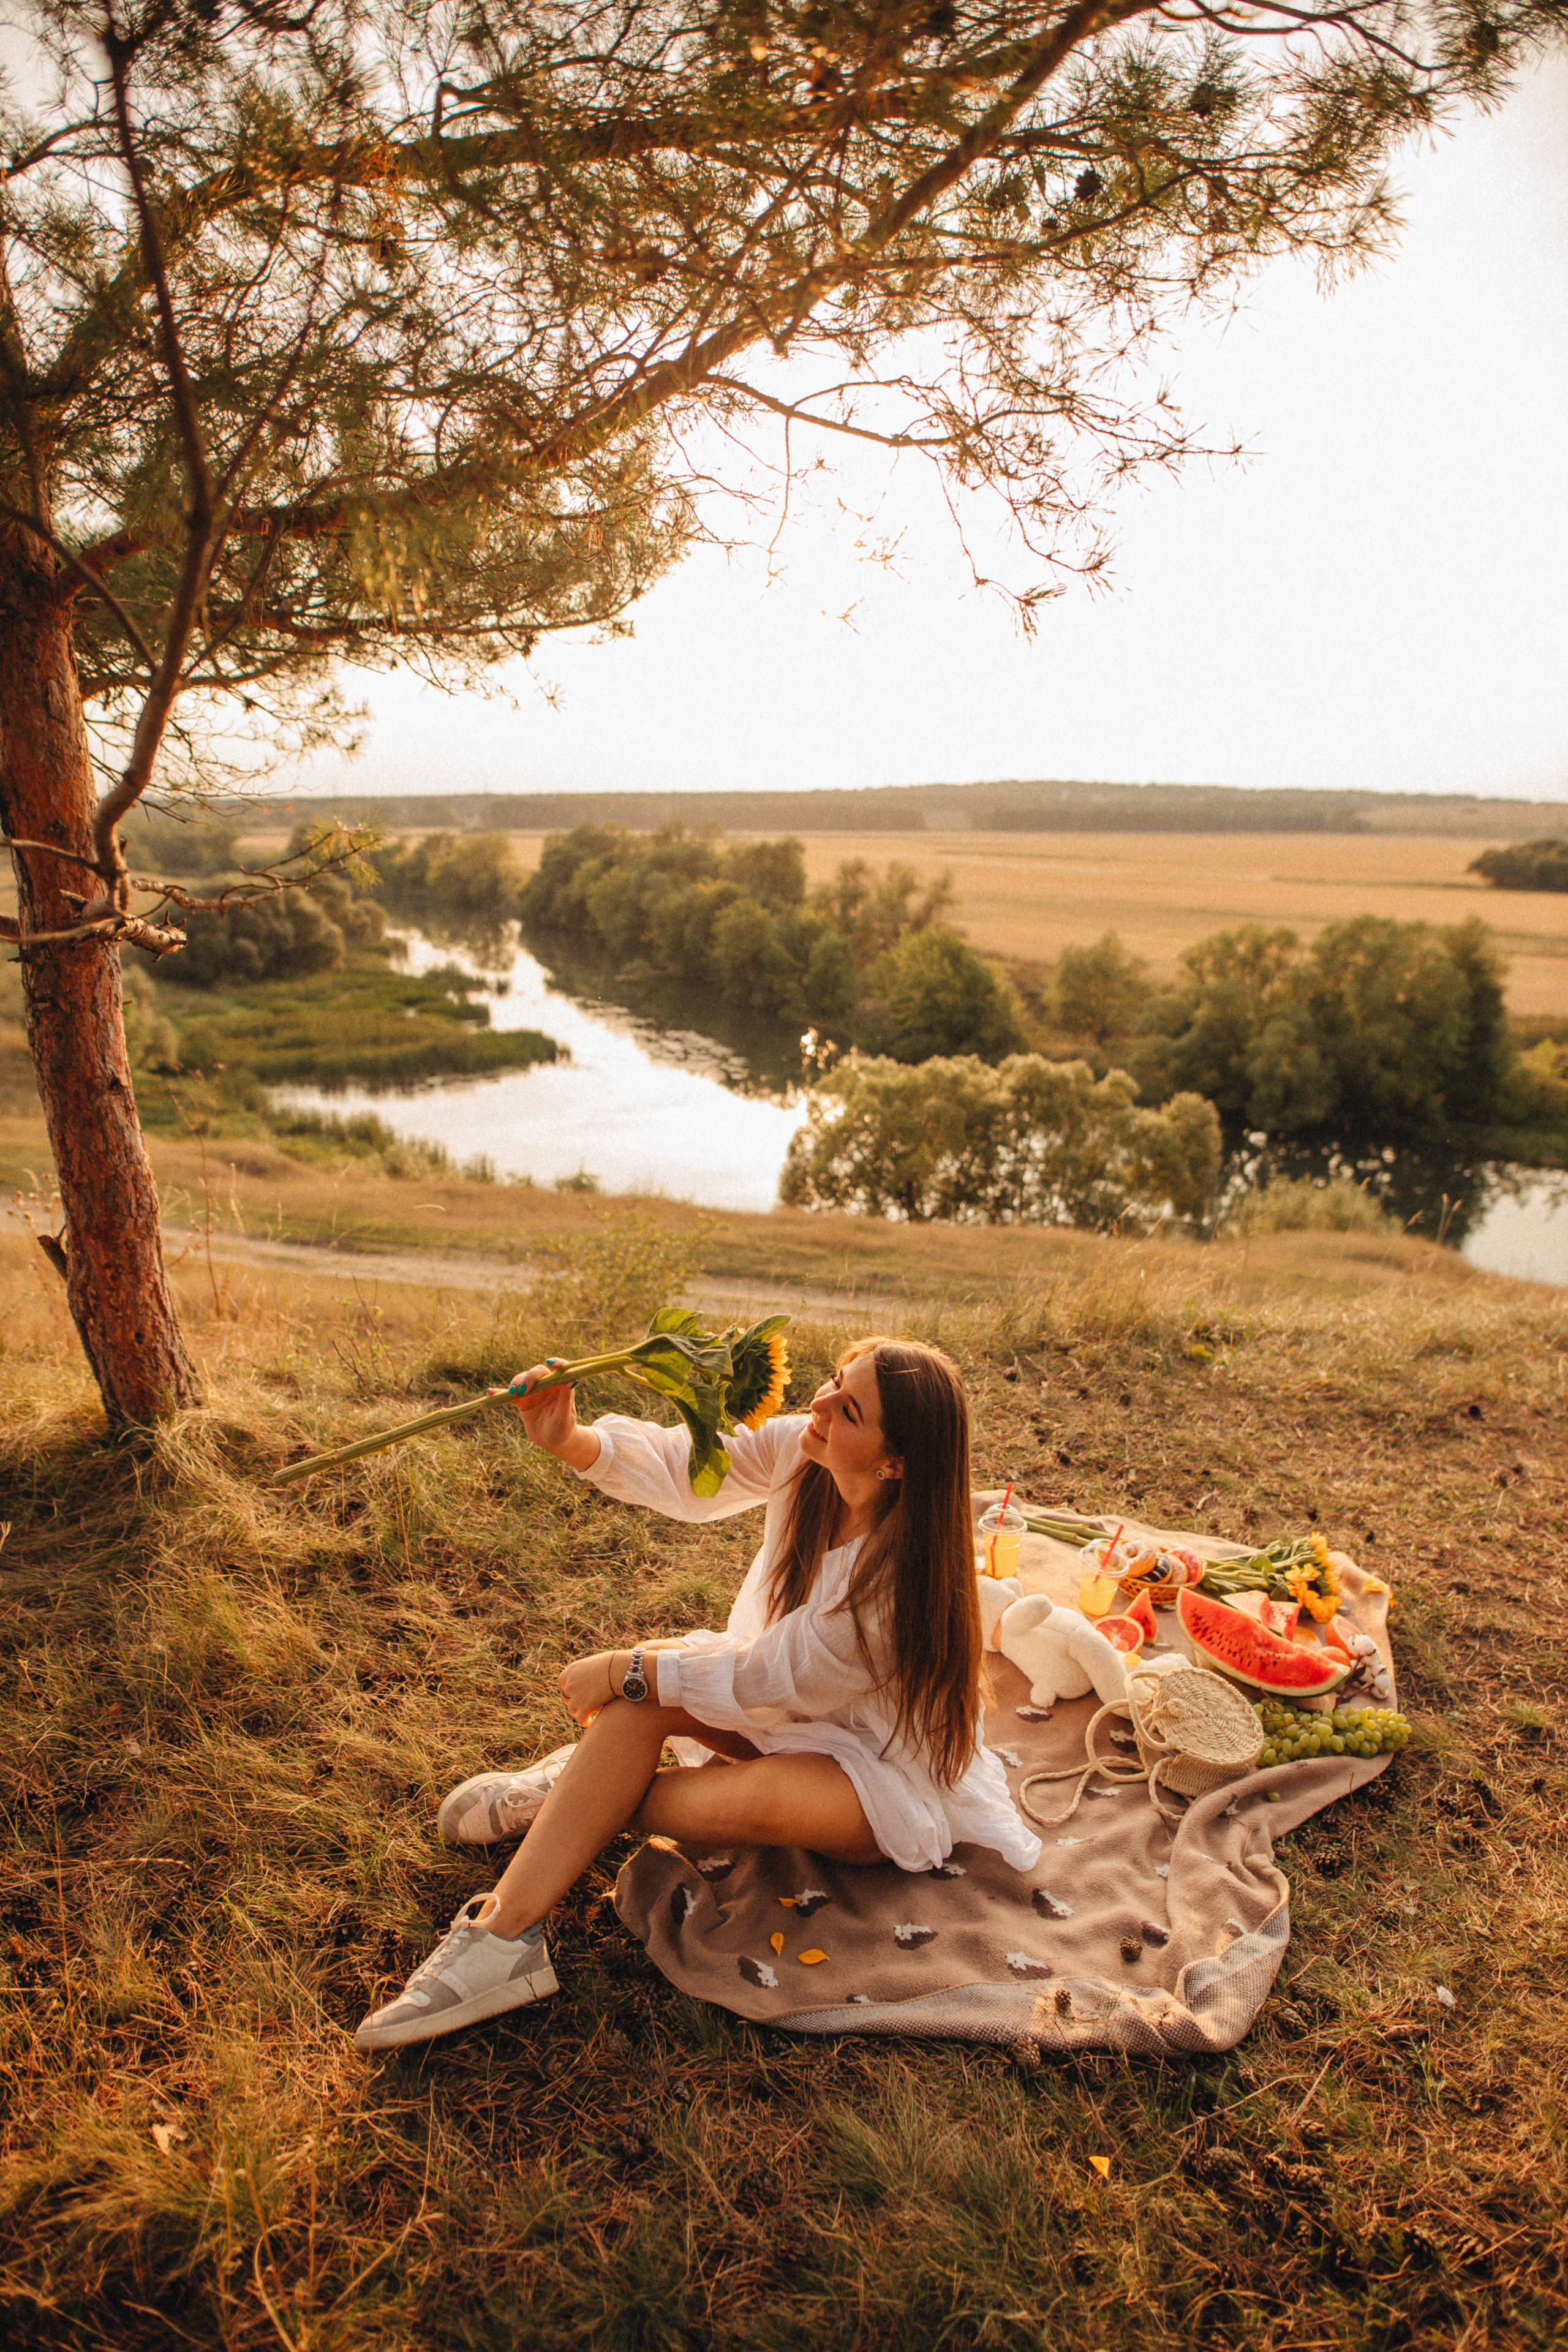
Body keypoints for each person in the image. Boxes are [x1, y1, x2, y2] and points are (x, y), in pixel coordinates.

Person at [353, 1336, 1041, 2052]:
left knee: (739, 1785)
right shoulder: (806, 1452)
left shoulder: (894, 1584)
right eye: (833, 1381)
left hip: (867, 1774)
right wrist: (571, 1439)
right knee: (642, 1699)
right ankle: (503, 1938)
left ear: (894, 1461)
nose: (821, 1403)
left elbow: (771, 1676)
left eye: (850, 1409)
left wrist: (631, 1666)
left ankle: (571, 1798)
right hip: (772, 1716)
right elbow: (693, 1466)